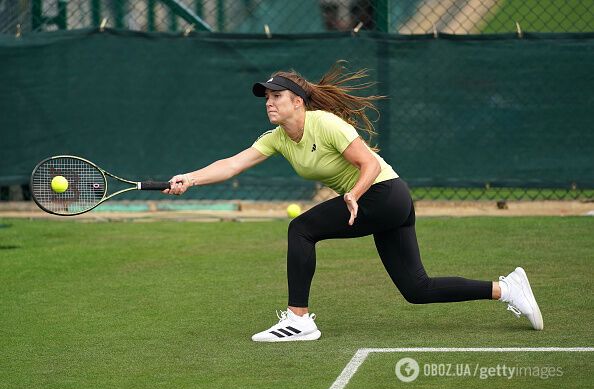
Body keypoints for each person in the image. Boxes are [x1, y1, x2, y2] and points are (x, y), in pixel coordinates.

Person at [164, 62, 543, 342]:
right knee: (417, 289)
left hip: (383, 194)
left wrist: (354, 193)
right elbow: (232, 164)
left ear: (298, 102)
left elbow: (369, 163)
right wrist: (189, 178)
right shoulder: (278, 137)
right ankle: (506, 288)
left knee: (302, 228)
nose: (269, 102)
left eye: (277, 96)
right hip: (383, 202)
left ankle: (299, 319)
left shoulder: (325, 124)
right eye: (267, 97)